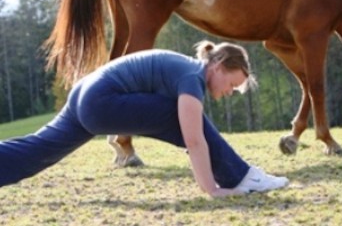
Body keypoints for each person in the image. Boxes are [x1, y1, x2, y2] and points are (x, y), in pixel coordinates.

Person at [0, 40, 289, 197]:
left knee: (37, 150)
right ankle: (242, 177)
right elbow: (193, 139)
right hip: (99, 100)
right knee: (182, 115)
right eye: (232, 84)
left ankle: (239, 175)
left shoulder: (187, 70)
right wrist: (212, 189)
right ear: (218, 66)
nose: (229, 92)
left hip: (84, 96)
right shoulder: (193, 78)